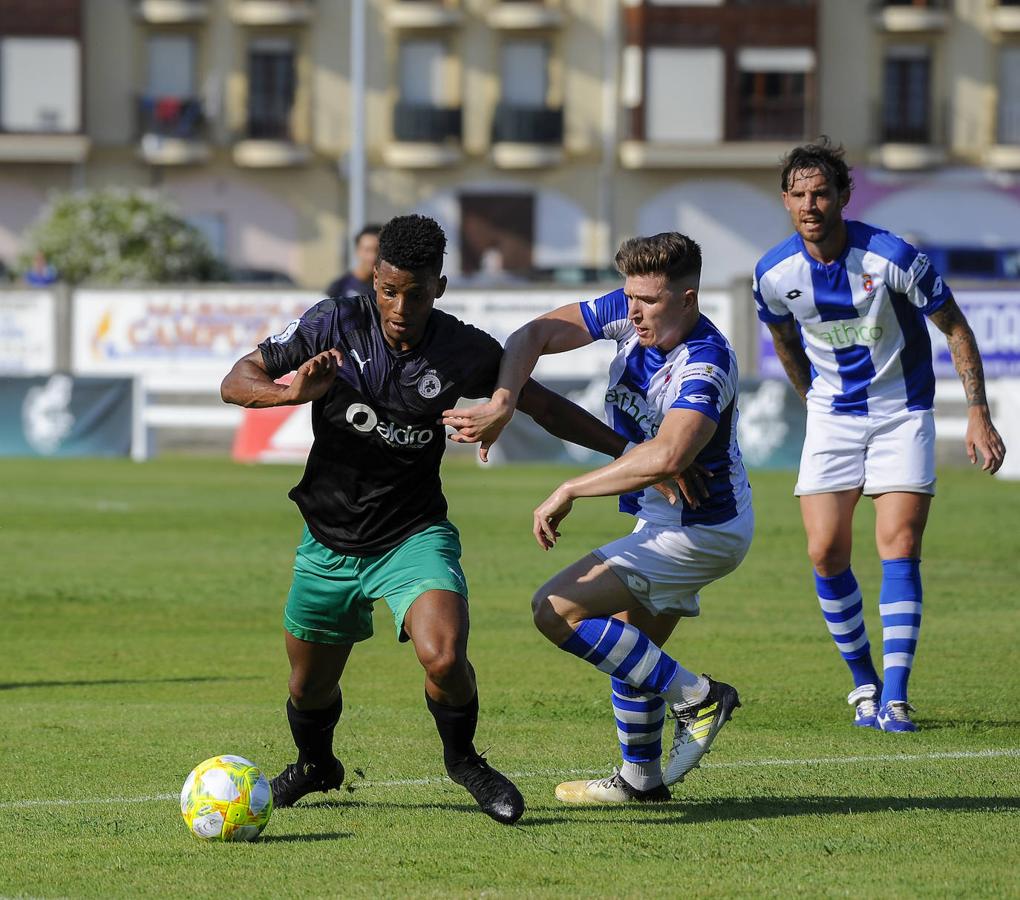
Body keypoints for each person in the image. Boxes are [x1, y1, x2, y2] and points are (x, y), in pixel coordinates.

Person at [220, 214, 638, 825]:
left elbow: (542, 406)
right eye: (388, 290)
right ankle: (316, 766)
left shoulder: (461, 348)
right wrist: (288, 394)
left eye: (414, 293)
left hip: (412, 534)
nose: (399, 305)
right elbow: (236, 381)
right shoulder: (332, 322)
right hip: (328, 538)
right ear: (373, 279)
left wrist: (632, 456)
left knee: (443, 656)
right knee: (307, 688)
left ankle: (464, 759)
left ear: (438, 287)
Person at [443, 233, 753, 804]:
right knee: (632, 654)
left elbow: (668, 457)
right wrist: (503, 402)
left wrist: (569, 488)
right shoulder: (629, 311)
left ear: (688, 299)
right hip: (666, 523)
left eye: (651, 301)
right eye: (630, 296)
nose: (634, 312)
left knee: (555, 609)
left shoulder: (706, 363)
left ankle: (700, 696)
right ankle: (641, 781)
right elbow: (530, 335)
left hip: (699, 531)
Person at [753, 138, 1006, 733]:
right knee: (824, 551)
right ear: (785, 201)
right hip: (832, 416)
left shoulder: (893, 257)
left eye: (821, 193)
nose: (810, 204)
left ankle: (895, 696)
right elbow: (784, 340)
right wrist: (811, 399)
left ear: (843, 195)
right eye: (799, 195)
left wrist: (978, 414)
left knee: (899, 543)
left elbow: (956, 328)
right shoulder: (773, 273)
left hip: (902, 412)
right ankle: (863, 683)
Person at [325, 224, 381, 298]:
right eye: (367, 250)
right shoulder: (338, 288)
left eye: (377, 251)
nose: (373, 257)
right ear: (357, 251)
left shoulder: (385, 289)